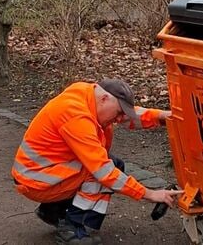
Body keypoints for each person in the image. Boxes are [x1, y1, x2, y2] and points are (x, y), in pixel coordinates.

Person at [12, 79, 183, 244]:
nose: (118, 119)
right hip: (37, 181)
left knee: (110, 165)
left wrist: (164, 117)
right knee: (103, 171)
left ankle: (53, 211)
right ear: (104, 99)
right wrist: (150, 194)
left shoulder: (89, 96)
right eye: (118, 113)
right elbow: (103, 172)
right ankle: (73, 228)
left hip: (43, 173)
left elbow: (129, 115)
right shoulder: (76, 116)